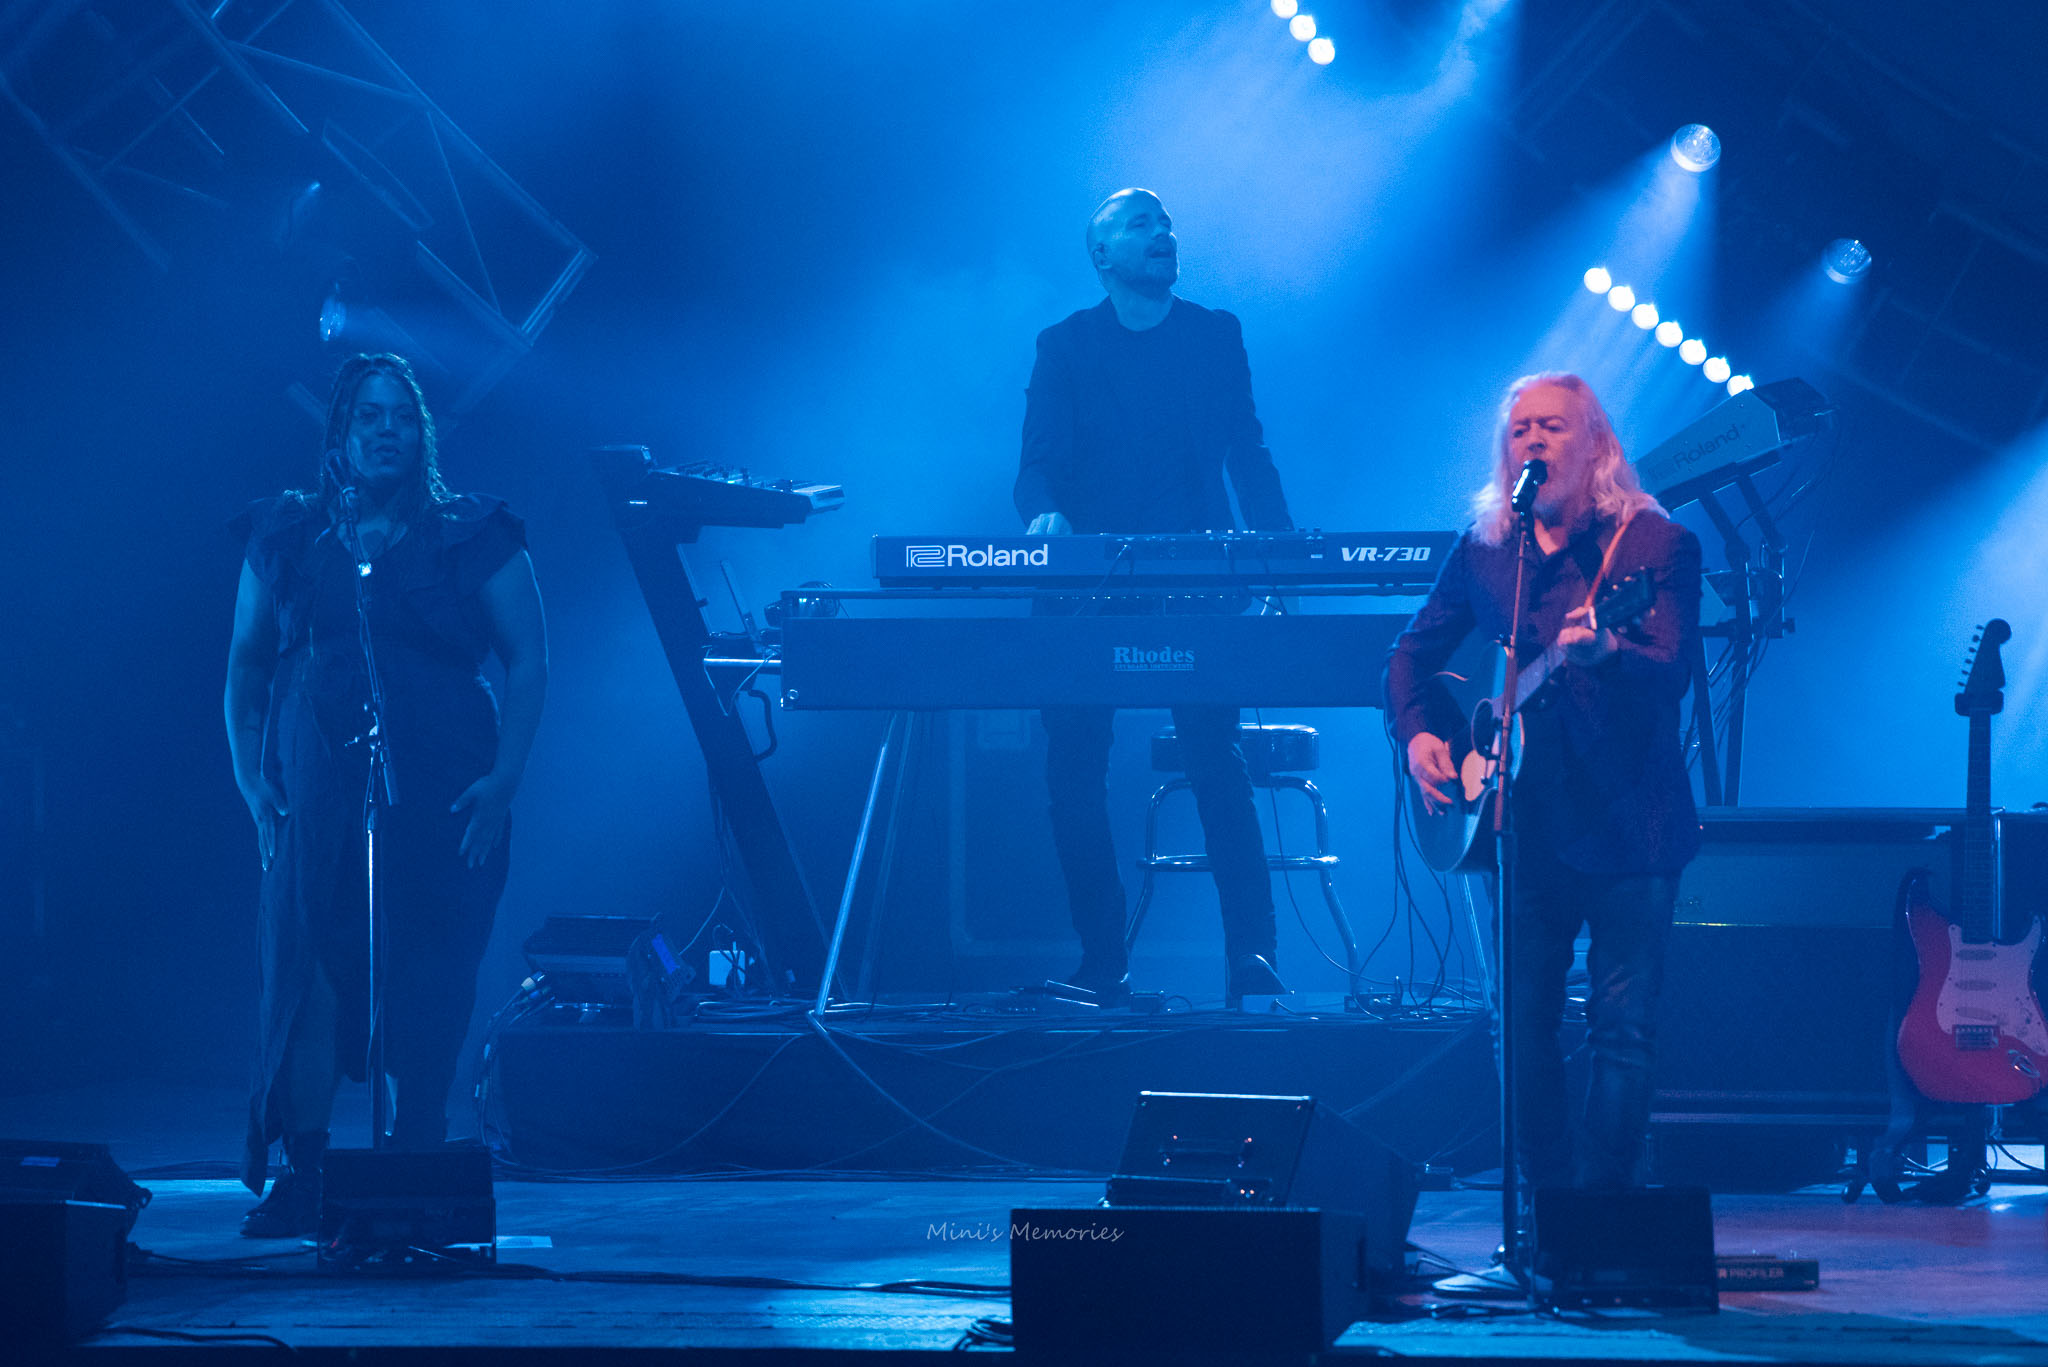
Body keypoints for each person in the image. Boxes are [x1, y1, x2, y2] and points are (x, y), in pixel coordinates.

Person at [224, 354, 546, 1236]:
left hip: (443, 793)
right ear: (340, 432)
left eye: (401, 414)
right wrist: (252, 779)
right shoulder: (292, 535)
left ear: (422, 432)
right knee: (310, 975)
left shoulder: (470, 533)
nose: (385, 429)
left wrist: (504, 780)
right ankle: (309, 1171)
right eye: (367, 415)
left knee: (429, 973)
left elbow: (528, 657)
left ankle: (414, 1157)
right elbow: (247, 663)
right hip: (314, 798)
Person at [1383, 372, 1701, 1192]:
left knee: (1621, 1026)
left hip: (1632, 819)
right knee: (1520, 1026)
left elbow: (1672, 668)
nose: (1533, 439)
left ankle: (1603, 1208)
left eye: (1553, 426)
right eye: (1521, 428)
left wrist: (1609, 652)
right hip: (1519, 824)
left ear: (1596, 443)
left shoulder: (1654, 544)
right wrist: (1419, 733)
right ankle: (1545, 1210)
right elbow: (1410, 653)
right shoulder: (1490, 548)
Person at [1014, 188, 1292, 1004]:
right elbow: (1035, 466)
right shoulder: (1065, 346)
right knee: (1074, 771)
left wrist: (1284, 555)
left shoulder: (1214, 334)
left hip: (1196, 581)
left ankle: (1253, 960)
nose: (1163, 232)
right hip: (1088, 588)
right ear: (1102, 255)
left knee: (1217, 760)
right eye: (1141, 223)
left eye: (1166, 222)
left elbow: (1247, 452)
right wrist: (1044, 514)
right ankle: (1103, 962)